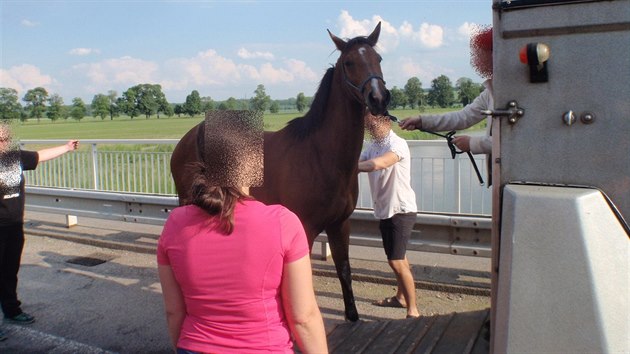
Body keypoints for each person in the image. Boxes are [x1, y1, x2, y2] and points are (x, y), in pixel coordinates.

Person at [157, 112, 328, 354]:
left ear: (203, 158)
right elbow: (304, 318)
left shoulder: (175, 224)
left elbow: (174, 311)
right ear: (255, 161)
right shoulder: (283, 223)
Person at [0, 123, 79, 333]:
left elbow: (40, 156)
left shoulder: (13, 158)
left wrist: (66, 148)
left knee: (9, 271)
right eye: (0, 140)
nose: (4, 144)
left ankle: (12, 310)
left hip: (14, 226)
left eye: (6, 139)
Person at [399, 26, 494, 172]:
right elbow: (462, 117)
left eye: (482, 53)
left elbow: (518, 143)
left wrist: (472, 143)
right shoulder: (490, 92)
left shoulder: (508, 91)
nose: (477, 60)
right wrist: (422, 121)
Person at [358, 111, 420, 319]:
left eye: (372, 124)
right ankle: (401, 297)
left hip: (401, 209)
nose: (369, 128)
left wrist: (352, 168)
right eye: (367, 125)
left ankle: (413, 311)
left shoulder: (397, 144)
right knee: (399, 257)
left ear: (385, 122)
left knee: (396, 260)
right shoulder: (373, 146)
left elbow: (380, 163)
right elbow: (361, 160)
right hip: (386, 209)